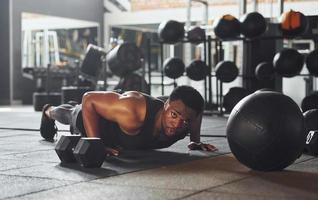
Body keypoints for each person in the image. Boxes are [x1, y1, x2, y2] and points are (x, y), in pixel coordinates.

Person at [40, 85, 217, 156]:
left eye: (185, 121)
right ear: (166, 105)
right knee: (72, 113)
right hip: (100, 125)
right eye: (174, 116)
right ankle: (48, 111)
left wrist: (195, 140)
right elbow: (89, 99)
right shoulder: (134, 110)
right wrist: (96, 144)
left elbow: (195, 114)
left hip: (122, 134)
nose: (178, 125)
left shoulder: (187, 117)